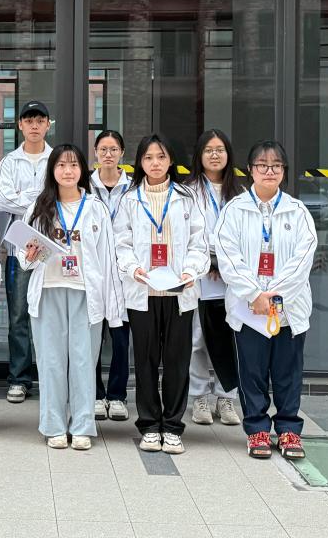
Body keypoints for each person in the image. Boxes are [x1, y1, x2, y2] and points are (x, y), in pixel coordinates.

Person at [215, 141, 317, 460]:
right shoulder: (234, 210)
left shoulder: (297, 212)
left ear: (283, 171)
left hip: (289, 309)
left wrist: (274, 296)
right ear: (250, 170)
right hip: (249, 310)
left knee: (288, 373)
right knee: (252, 373)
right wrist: (254, 294)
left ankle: (288, 430)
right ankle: (257, 428)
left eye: (276, 165)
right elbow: (228, 256)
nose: (269, 171)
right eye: (262, 165)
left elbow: (303, 259)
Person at [19, 144, 124, 450]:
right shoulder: (39, 206)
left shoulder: (95, 208)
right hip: (48, 292)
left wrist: (113, 309)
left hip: (85, 294)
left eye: (74, 165)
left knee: (83, 362)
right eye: (61, 165)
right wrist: (31, 255)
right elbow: (23, 256)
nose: (68, 171)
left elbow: (107, 259)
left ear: (82, 170)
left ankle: (82, 425)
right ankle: (53, 425)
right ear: (52, 170)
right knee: (50, 362)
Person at [114, 134, 209, 455]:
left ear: (171, 161)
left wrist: (191, 271)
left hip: (179, 292)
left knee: (177, 361)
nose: (155, 163)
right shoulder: (129, 200)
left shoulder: (187, 197)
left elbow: (199, 242)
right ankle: (149, 425)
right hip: (143, 291)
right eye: (148, 157)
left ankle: (172, 426)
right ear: (140, 162)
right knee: (145, 361)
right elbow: (121, 243)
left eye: (161, 157)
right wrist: (132, 269)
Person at [184, 130, 243, 427]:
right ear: (200, 155)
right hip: (200, 274)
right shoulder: (188, 191)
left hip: (231, 278)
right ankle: (199, 396)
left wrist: (226, 261)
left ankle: (226, 396)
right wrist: (207, 260)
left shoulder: (240, 193)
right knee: (196, 339)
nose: (215, 155)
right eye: (209, 150)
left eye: (220, 149)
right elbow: (186, 234)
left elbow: (244, 235)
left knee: (229, 337)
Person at [0, 100, 52, 403]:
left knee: (49, 314)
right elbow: (4, 200)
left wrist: (27, 196)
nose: (34, 125)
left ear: (47, 125)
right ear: (20, 125)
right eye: (28, 120)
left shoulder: (56, 159)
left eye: (39, 120)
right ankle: (19, 378)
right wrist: (40, 197)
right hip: (19, 246)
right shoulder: (9, 162)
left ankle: (51, 377)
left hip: (51, 247)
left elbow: (58, 196)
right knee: (18, 314)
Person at [89, 129, 132, 423]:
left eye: (113, 149)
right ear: (95, 152)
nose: (108, 154)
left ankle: (117, 395)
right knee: (92, 334)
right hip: (93, 267)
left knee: (120, 337)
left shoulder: (133, 187)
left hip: (124, 270)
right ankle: (94, 393)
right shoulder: (85, 186)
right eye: (103, 149)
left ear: (122, 153)